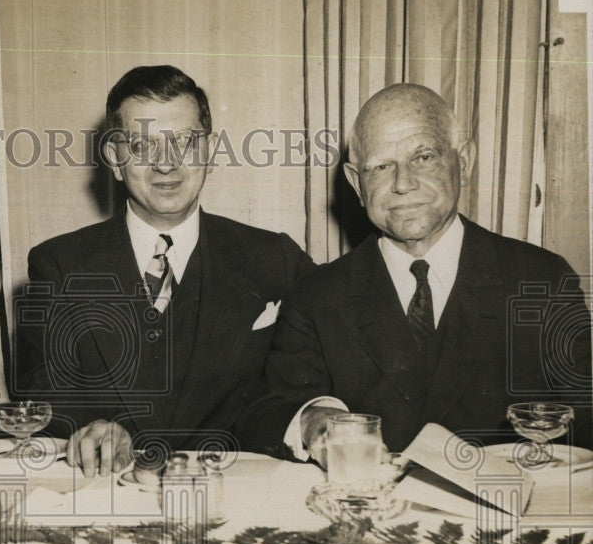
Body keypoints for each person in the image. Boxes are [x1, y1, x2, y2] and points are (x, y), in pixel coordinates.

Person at [235, 83, 592, 464]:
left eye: (423, 157)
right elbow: (269, 412)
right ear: (356, 182)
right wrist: (314, 421)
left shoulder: (541, 280)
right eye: (381, 166)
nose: (403, 184)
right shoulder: (316, 296)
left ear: (464, 161)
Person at [14, 65, 315, 475]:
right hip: (107, 497)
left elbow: (310, 383)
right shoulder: (58, 265)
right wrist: (89, 429)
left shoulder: (275, 258)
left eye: (185, 143)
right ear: (114, 158)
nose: (166, 165)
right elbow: (41, 395)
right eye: (141, 146)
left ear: (209, 150)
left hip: (235, 495)